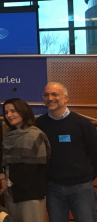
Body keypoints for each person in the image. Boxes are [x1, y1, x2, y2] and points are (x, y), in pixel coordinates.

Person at [36, 82, 97, 222]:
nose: (50, 98)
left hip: (81, 188)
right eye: (46, 95)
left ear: (66, 98)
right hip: (53, 188)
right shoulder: (40, 124)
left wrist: (85, 176)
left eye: (55, 94)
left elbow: (95, 153)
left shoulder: (83, 124)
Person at [0, 98, 50, 222]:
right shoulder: (9, 134)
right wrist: (2, 178)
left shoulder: (35, 135)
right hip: (12, 193)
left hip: (30, 195)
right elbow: (4, 161)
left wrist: (8, 182)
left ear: (23, 111)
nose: (9, 115)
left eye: (13, 111)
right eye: (6, 112)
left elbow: (30, 171)